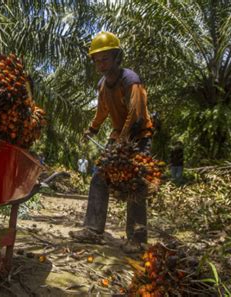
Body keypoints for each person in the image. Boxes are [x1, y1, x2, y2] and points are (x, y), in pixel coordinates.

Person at [69, 31, 154, 253]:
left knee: (135, 185)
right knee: (99, 177)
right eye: (96, 60)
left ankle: (137, 239)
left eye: (105, 58)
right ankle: (93, 230)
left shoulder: (131, 81)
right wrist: (93, 129)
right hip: (118, 138)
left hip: (139, 137)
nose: (100, 63)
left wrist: (122, 144)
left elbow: (135, 116)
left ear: (117, 57)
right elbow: (102, 111)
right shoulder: (102, 85)